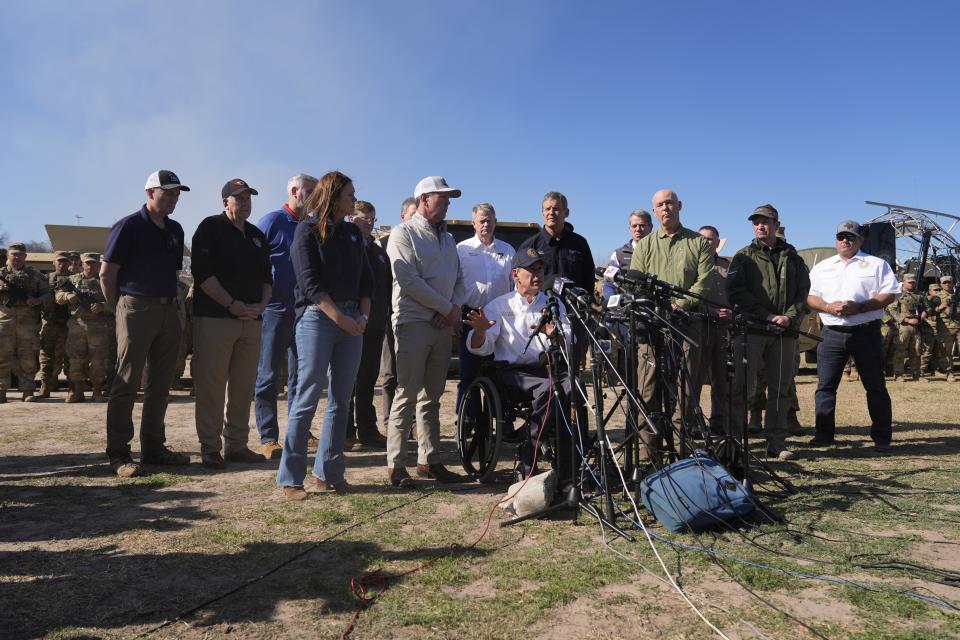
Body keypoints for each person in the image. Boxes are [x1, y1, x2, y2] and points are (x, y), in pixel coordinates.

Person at [277, 171, 372, 500]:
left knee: (341, 401)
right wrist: (342, 319)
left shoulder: (352, 234)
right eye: (349, 195)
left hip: (352, 320)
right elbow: (310, 283)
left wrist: (362, 316)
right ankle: (290, 478)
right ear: (333, 196)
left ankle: (328, 473)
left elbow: (365, 280)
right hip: (318, 317)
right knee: (306, 398)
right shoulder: (306, 231)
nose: (354, 200)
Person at [101, 170, 192, 477]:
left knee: (161, 384)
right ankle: (119, 453)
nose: (174, 198)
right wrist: (120, 309)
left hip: (169, 310)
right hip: (136, 307)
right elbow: (106, 273)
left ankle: (153, 448)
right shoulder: (129, 226)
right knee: (127, 382)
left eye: (177, 194)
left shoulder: (175, 230)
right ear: (150, 192)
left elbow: (174, 273)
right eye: (168, 193)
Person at [463, 248, 572, 479]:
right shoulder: (500, 306)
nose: (537, 275)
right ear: (515, 274)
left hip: (546, 368)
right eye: (531, 270)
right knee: (551, 389)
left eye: (540, 269)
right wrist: (480, 332)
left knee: (572, 385)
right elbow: (483, 346)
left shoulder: (553, 304)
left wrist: (556, 336)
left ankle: (569, 460)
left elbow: (569, 339)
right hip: (512, 374)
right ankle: (529, 451)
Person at [385, 176, 465, 487]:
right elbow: (408, 279)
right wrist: (447, 309)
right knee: (406, 393)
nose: (446, 203)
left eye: (448, 199)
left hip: (441, 325)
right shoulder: (402, 233)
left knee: (431, 395)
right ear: (423, 200)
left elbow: (458, 280)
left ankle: (429, 460)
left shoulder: (448, 240)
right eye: (441, 198)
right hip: (414, 321)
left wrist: (452, 309)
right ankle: (395, 464)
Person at [191, 178, 273, 469]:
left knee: (242, 387)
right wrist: (231, 304)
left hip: (251, 320)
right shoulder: (210, 228)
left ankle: (236, 445)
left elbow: (267, 278)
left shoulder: (255, 235)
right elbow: (202, 274)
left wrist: (262, 305)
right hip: (216, 318)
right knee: (212, 386)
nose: (246, 202)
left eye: (249, 197)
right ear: (225, 201)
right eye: (239, 198)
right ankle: (210, 447)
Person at [630, 189, 716, 459]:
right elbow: (636, 282)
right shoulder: (644, 245)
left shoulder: (698, 242)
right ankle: (647, 455)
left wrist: (681, 304)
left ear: (679, 206)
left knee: (686, 390)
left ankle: (681, 452)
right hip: (652, 326)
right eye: (659, 205)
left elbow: (705, 280)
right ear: (654, 211)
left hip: (687, 323)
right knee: (648, 388)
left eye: (669, 203)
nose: (665, 208)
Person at [806, 221, 900, 453]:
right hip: (832, 334)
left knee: (875, 386)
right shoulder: (822, 267)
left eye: (850, 236)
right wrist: (828, 307)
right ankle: (824, 436)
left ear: (860, 240)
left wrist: (861, 307)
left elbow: (890, 293)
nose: (844, 240)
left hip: (866, 332)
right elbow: (810, 296)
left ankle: (882, 437)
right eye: (841, 236)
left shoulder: (877, 264)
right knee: (825, 387)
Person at [726, 205, 810, 460]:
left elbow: (803, 293)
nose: (760, 226)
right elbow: (736, 293)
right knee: (741, 387)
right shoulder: (743, 256)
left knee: (780, 389)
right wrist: (767, 316)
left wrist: (789, 317)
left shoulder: (793, 257)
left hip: (784, 334)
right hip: (753, 330)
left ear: (776, 224)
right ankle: (737, 443)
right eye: (756, 222)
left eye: (766, 222)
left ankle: (776, 442)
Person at [254, 173, 319, 459]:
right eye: (310, 191)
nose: (315, 197)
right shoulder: (271, 222)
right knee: (268, 376)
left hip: (304, 313)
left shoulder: (312, 226)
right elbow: (254, 264)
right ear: (294, 191)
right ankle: (269, 438)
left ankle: (299, 432)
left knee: (301, 379)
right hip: (275, 312)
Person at [455, 202, 515, 410]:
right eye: (481, 221)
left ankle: (501, 420)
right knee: (469, 373)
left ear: (495, 222)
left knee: (499, 372)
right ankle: (468, 420)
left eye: (489, 220)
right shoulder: (461, 249)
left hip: (500, 318)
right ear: (473, 223)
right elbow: (453, 283)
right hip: (471, 316)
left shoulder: (508, 251)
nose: (485, 224)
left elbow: (514, 285)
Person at [345, 200, 390, 451]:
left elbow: (386, 286)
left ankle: (368, 429)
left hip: (374, 325)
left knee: (367, 380)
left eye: (373, 217)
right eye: (365, 218)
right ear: (352, 218)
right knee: (348, 380)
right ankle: (346, 432)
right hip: (351, 323)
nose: (371, 222)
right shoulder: (345, 247)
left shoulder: (378, 251)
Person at [380, 197, 418, 434]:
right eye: (412, 214)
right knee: (391, 372)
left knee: (413, 373)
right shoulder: (386, 242)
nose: (416, 218)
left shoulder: (424, 243)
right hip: (389, 315)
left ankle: (411, 422)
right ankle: (389, 421)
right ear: (403, 216)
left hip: (415, 316)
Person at [57, 253, 113, 402]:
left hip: (98, 326)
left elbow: (116, 303)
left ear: (99, 265)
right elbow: (58, 294)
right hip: (77, 324)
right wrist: (67, 296)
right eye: (87, 263)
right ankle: (76, 391)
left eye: (93, 263)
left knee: (98, 360)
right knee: (75, 359)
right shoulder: (72, 280)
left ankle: (97, 390)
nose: (90, 266)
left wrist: (102, 306)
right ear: (82, 264)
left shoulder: (105, 282)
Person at [0, 242, 50, 402]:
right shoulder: (1, 274)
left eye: (20, 254)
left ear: (25, 256)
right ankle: (1, 390)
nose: (16, 257)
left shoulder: (35, 275)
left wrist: (37, 300)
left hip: (27, 323)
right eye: (13, 254)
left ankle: (28, 390)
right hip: (4, 321)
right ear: (8, 255)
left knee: (28, 357)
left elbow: (49, 296)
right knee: (2, 356)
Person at [697, 225, 733, 434]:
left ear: (718, 242)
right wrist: (709, 311)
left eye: (711, 239)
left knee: (721, 380)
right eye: (703, 239)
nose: (707, 242)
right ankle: (692, 424)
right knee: (693, 380)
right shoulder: (691, 265)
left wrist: (732, 314)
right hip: (698, 327)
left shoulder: (728, 266)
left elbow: (737, 296)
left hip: (723, 331)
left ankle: (719, 424)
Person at [38, 251, 74, 398]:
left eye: (65, 261)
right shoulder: (45, 279)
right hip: (50, 322)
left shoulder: (75, 279)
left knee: (72, 356)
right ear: (54, 263)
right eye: (59, 261)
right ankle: (46, 386)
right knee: (46, 355)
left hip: (71, 323)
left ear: (70, 263)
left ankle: (73, 387)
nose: (62, 264)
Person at [602, 210, 653, 300]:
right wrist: (614, 303)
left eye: (642, 225)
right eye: (634, 226)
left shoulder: (659, 251)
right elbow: (609, 284)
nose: (638, 229)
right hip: (630, 308)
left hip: (657, 308)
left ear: (651, 227)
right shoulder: (619, 254)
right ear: (629, 228)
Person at [891, 273, 924, 381]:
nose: (911, 284)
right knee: (900, 350)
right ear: (904, 282)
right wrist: (906, 320)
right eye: (909, 282)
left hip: (916, 326)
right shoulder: (898, 294)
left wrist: (924, 314)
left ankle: (916, 374)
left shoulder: (919, 294)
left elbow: (925, 308)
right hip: (903, 326)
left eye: (913, 282)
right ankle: (898, 374)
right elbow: (892, 309)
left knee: (916, 350)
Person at [936, 275, 959, 381]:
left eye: (949, 282)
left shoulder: (957, 295)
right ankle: (949, 373)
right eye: (944, 283)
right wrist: (941, 307)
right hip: (946, 327)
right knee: (947, 351)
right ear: (941, 284)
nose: (947, 284)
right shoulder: (937, 297)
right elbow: (931, 311)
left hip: (958, 325)